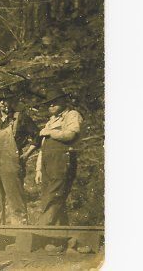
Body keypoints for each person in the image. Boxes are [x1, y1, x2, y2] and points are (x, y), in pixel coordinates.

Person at [0, 93, 39, 225]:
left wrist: (26, 154)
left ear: (10, 101)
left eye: (5, 100)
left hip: (12, 163)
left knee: (15, 198)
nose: (2, 103)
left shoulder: (20, 118)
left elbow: (37, 136)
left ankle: (20, 228)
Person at [35, 88, 83, 226]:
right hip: (47, 163)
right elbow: (42, 148)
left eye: (55, 102)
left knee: (55, 194)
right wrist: (38, 169)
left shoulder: (72, 115)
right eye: (49, 103)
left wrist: (51, 133)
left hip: (62, 160)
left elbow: (70, 134)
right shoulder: (50, 121)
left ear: (63, 101)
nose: (51, 105)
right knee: (48, 195)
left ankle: (42, 228)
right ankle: (61, 233)